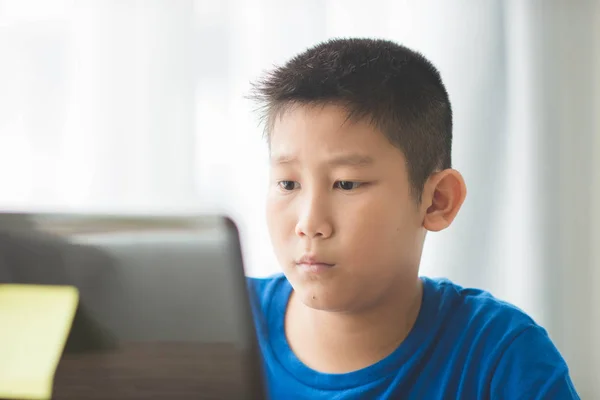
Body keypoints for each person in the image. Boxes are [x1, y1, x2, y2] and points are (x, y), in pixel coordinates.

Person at [246, 38, 579, 399]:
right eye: (288, 183)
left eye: (346, 183)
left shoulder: (500, 357)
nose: (309, 223)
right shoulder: (221, 324)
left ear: (437, 201)